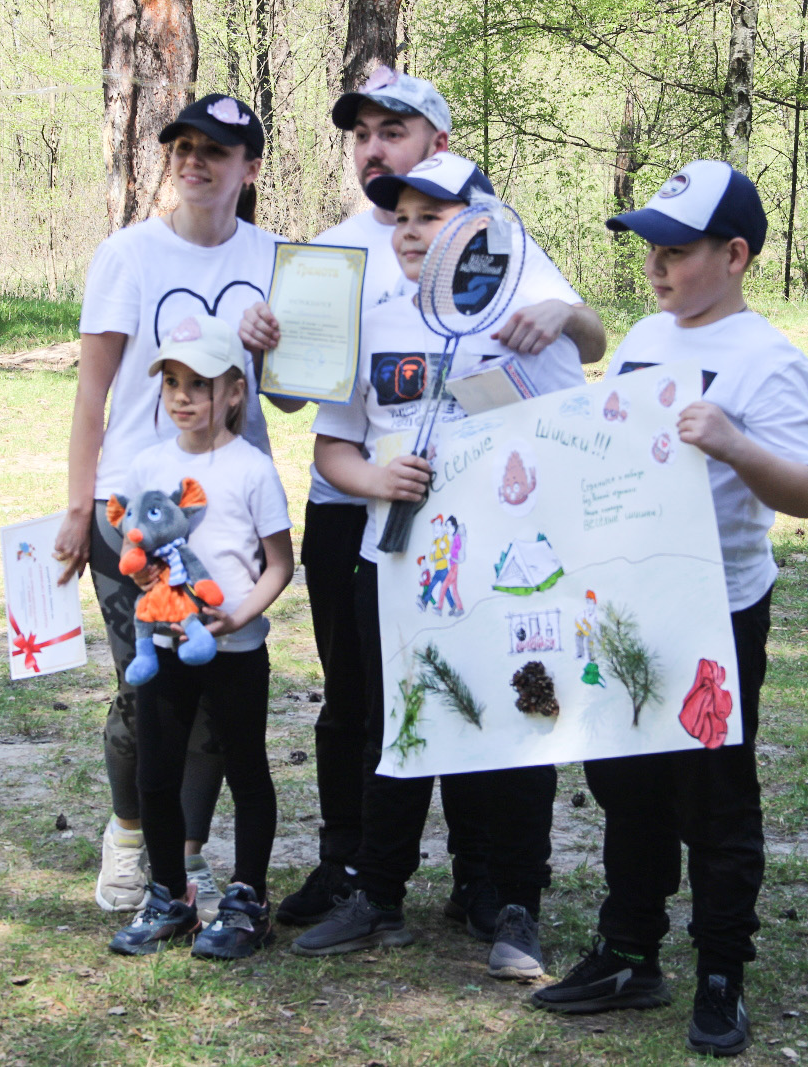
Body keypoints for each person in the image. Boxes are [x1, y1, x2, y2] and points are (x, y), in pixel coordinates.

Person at [240, 65, 609, 938]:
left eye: (394, 132)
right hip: (363, 517)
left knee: (495, 691)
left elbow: (580, 347)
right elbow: (310, 405)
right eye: (362, 135)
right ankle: (356, 869)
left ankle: (490, 880)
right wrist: (267, 355)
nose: (375, 149)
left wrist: (562, 318)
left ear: (438, 146)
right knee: (363, 699)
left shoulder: (492, 245)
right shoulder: (328, 255)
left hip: (492, 527)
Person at [528, 160, 808, 1058]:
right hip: (631, 600)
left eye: (679, 250)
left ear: (736, 254)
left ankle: (721, 970)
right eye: (651, 248)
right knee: (626, 779)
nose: (658, 267)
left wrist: (733, 443)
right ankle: (628, 948)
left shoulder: (768, 358)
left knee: (714, 794)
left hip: (718, 609)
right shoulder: (645, 341)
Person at [293, 151, 584, 980]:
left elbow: (570, 431)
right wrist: (373, 479)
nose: (412, 231)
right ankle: (378, 895)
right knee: (398, 720)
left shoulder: (520, 315)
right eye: (403, 217)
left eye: (433, 216)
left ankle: (516, 903)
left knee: (519, 718)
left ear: (478, 226)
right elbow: (334, 443)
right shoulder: (377, 319)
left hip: (508, 564)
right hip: (396, 559)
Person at [55, 93, 287, 922]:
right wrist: (80, 507)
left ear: (248, 168)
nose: (194, 161)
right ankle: (129, 835)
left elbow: (290, 400)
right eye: (182, 146)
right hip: (135, 510)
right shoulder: (127, 256)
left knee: (220, 702)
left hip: (230, 508)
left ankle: (180, 860)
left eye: (215, 151)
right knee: (146, 699)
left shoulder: (276, 259)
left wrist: (276, 347)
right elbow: (92, 392)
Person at [105, 314, 294, 959]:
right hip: (164, 646)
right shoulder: (147, 465)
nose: (183, 396)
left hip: (235, 649)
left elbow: (279, 564)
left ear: (234, 392)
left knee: (246, 771)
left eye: (199, 384)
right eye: (172, 383)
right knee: (158, 774)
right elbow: (139, 549)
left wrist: (240, 616)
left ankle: (247, 902)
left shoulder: (252, 470)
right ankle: (169, 896)